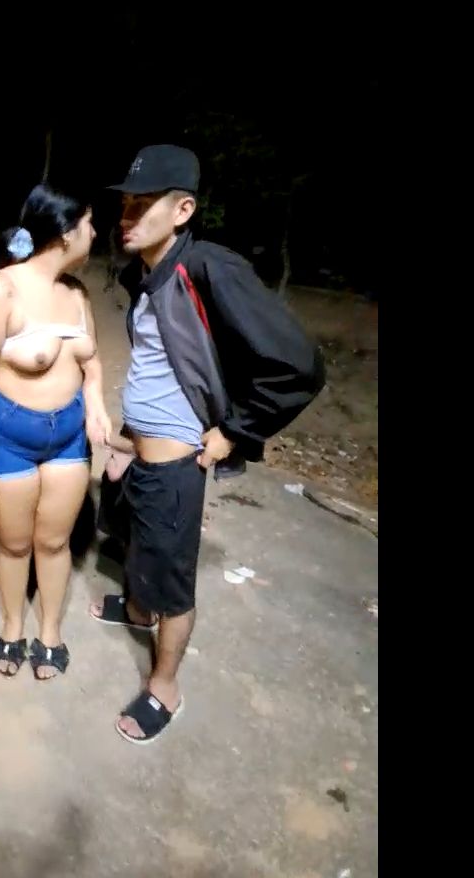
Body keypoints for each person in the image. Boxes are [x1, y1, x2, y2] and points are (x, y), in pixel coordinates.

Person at [91, 144, 325, 744]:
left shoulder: (208, 268)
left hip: (175, 467)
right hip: (139, 451)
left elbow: (298, 366)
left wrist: (234, 433)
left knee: (172, 584)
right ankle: (137, 610)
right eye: (126, 203)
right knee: (130, 538)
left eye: (143, 204)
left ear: (183, 210)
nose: (127, 216)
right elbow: (163, 361)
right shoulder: (146, 274)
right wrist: (126, 438)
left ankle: (165, 688)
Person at [0, 182, 112, 680]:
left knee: (54, 542)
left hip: (68, 437)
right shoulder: (2, 291)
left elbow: (91, 362)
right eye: (88, 224)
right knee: (14, 544)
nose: (95, 233)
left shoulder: (76, 294)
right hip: (9, 440)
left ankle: (49, 631)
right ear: (66, 232)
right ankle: (12, 625)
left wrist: (95, 404)